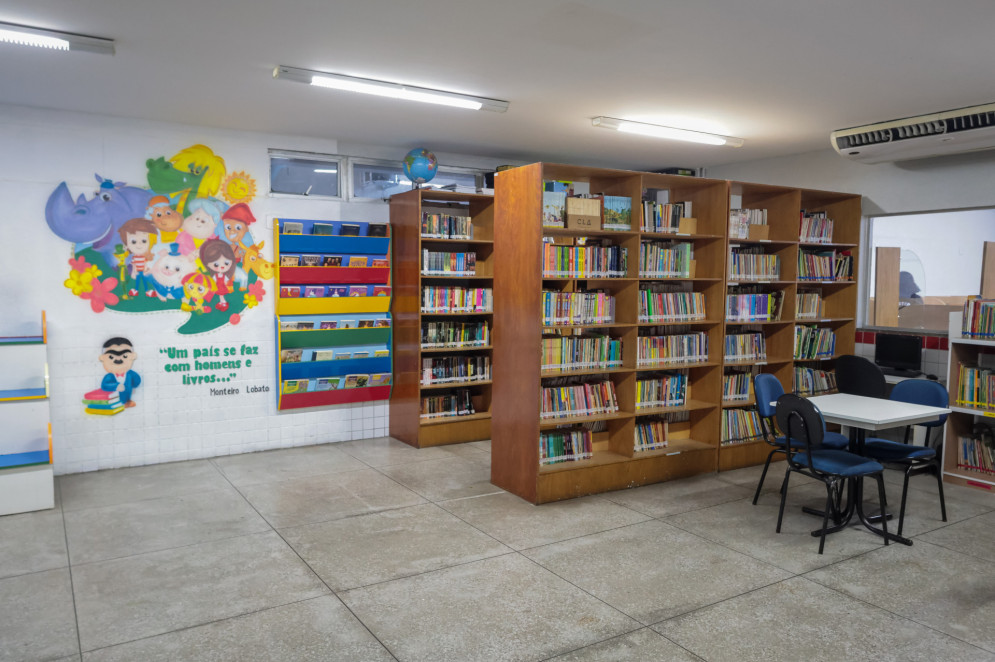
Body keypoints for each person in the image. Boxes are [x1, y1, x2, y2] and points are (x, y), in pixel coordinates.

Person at [99, 338, 141, 408]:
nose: (118, 359)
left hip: (127, 400)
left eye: (124, 356)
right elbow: (105, 385)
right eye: (111, 357)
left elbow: (136, 382)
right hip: (114, 401)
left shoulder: (130, 374)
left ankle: (127, 401)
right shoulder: (110, 376)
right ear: (102, 358)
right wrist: (116, 386)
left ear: (133, 356)